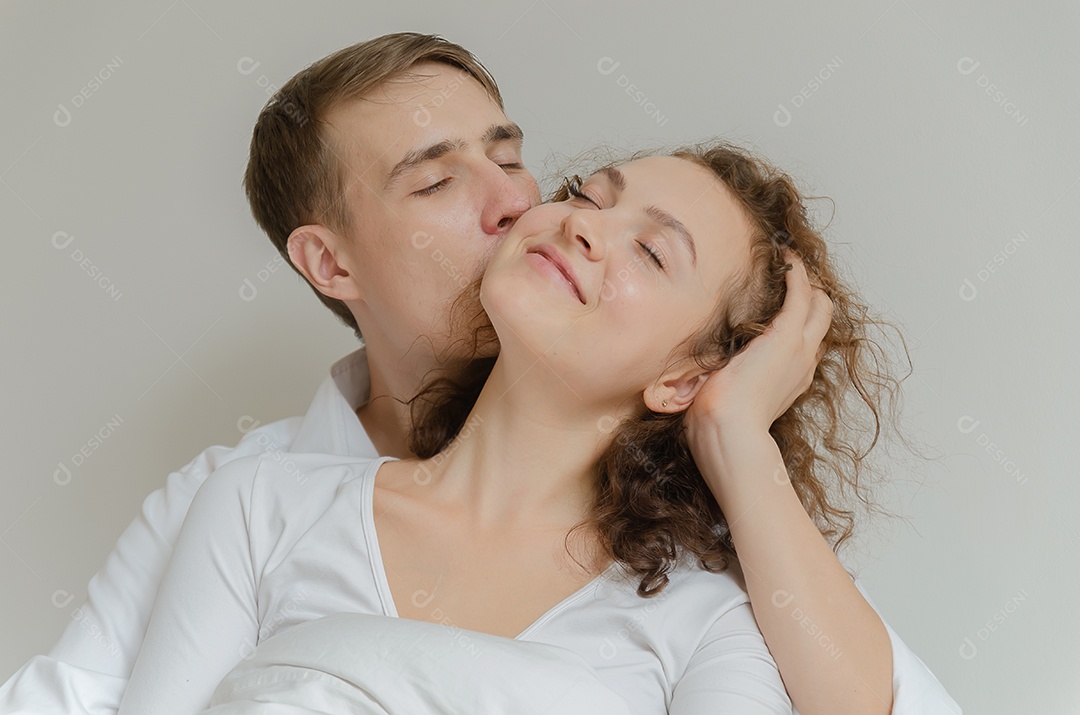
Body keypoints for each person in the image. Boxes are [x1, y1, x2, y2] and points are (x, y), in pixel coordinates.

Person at [0, 33, 959, 715]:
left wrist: (736, 434)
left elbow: (866, 699)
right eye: (435, 179)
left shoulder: (721, 597)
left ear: (688, 373)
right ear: (331, 265)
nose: (522, 204)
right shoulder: (250, 500)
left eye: (516, 159)